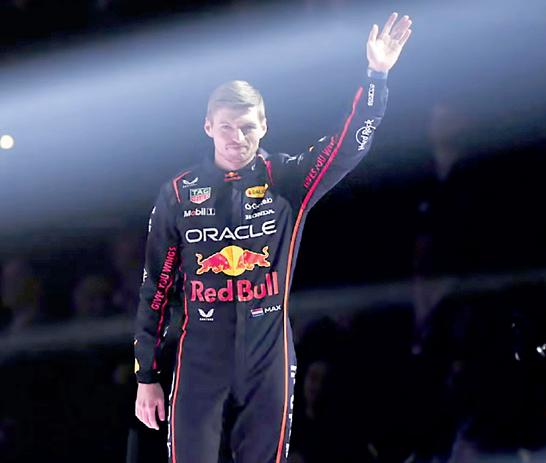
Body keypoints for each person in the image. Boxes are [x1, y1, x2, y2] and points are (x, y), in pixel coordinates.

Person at [133, 10, 413, 463]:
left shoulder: (286, 178)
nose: (236, 137)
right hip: (200, 357)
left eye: (247, 126)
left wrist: (376, 76)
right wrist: (146, 376)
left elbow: (348, 146)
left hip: (268, 357)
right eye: (226, 126)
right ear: (208, 127)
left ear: (263, 126)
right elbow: (156, 288)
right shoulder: (179, 193)